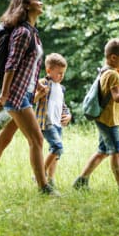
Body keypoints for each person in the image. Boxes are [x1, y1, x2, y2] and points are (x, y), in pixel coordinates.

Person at [0, 0, 58, 196]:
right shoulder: (22, 32)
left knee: (4, 139)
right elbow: (11, 65)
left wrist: (36, 83)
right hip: (15, 95)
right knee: (37, 140)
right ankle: (43, 187)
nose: (40, 3)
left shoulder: (32, 32)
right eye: (37, 0)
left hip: (24, 91)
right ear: (27, 5)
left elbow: (26, 65)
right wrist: (4, 95)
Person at [73, 38, 119, 193]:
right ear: (114, 57)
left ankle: (81, 181)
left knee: (103, 151)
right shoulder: (112, 75)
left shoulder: (108, 71)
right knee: (117, 151)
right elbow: (118, 97)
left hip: (105, 118)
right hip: (108, 120)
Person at [34, 53, 72, 187]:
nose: (61, 76)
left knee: (56, 154)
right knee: (57, 147)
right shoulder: (43, 83)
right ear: (49, 71)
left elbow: (62, 106)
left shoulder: (61, 88)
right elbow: (32, 100)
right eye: (59, 73)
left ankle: (50, 179)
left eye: (63, 73)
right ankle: (40, 173)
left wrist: (68, 115)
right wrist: (40, 93)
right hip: (46, 122)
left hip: (57, 124)